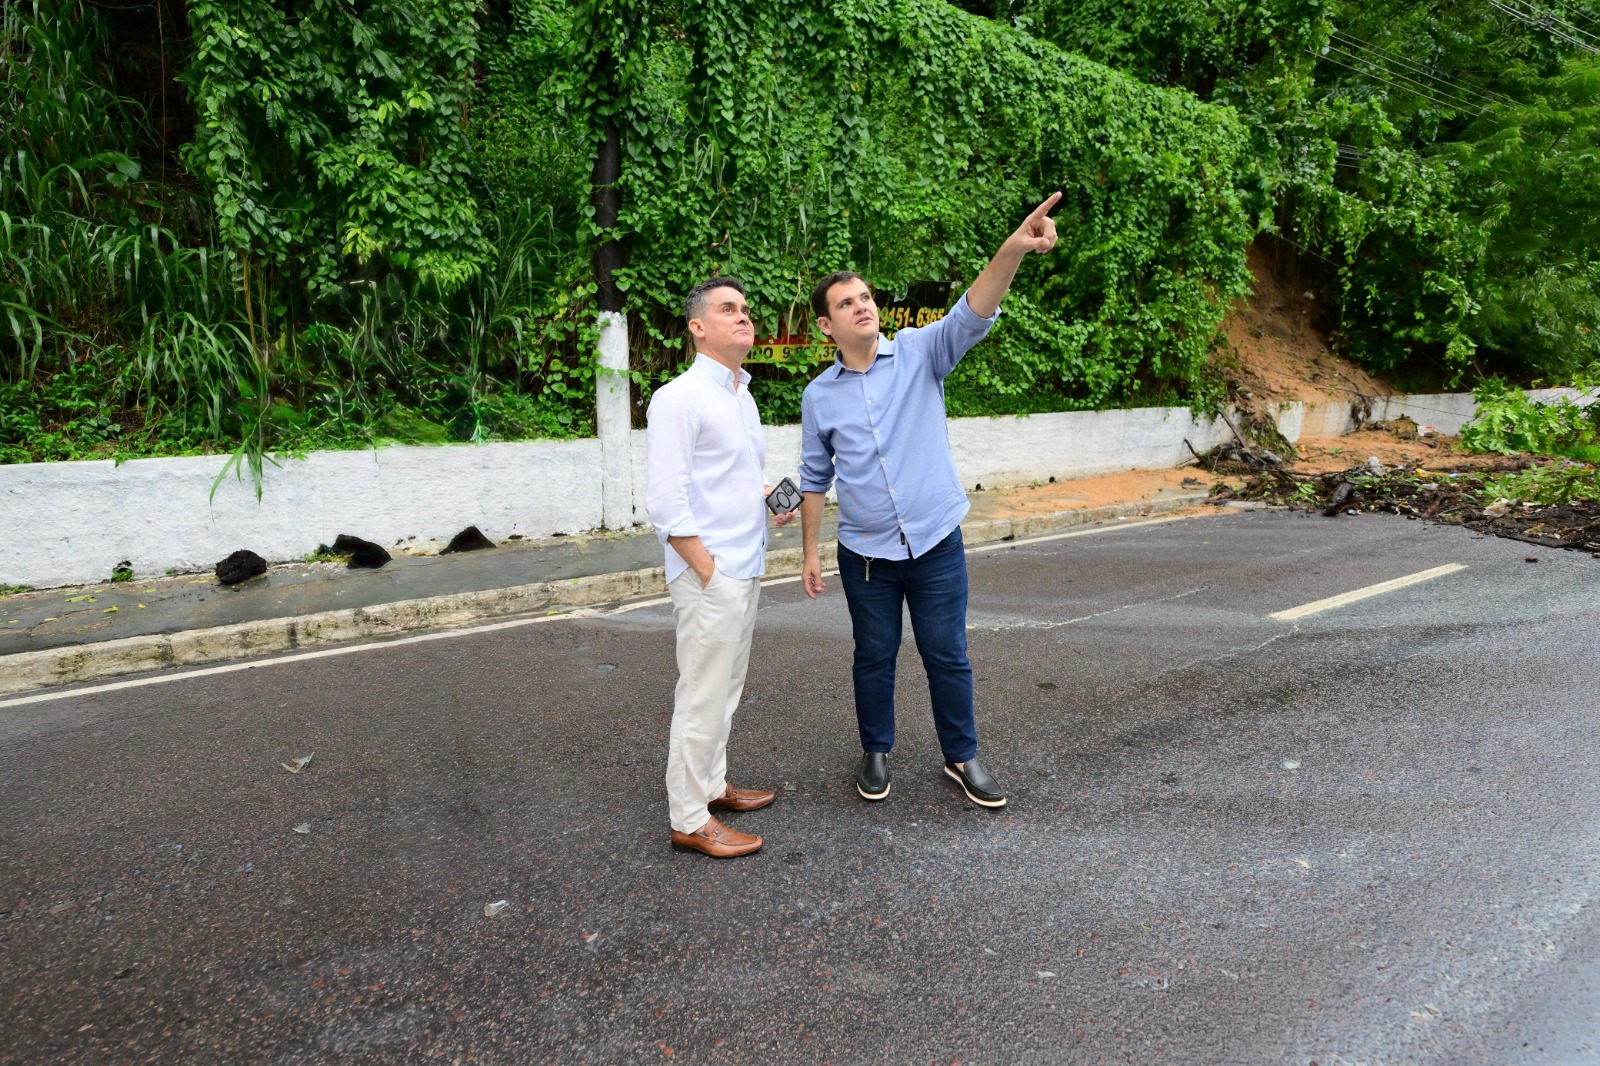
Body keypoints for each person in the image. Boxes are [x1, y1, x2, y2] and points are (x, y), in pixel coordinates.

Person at [798, 194, 1062, 808]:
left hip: (936, 542)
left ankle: (962, 756)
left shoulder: (921, 353)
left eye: (865, 297)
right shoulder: (819, 397)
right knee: (874, 656)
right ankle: (876, 750)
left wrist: (1013, 247)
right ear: (826, 326)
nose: (861, 306)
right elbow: (815, 477)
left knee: (948, 653)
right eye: (846, 303)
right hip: (865, 556)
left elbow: (975, 308)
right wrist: (810, 552)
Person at [646, 276, 796, 858]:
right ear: (697, 327)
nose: (744, 318)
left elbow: (727, 476)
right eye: (728, 310)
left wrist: (765, 497)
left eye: (746, 311)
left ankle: (711, 786)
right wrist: (707, 569)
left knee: (726, 689)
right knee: (701, 695)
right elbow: (666, 500)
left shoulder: (741, 393)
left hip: (745, 562)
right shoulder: (679, 397)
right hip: (712, 572)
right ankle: (688, 817)